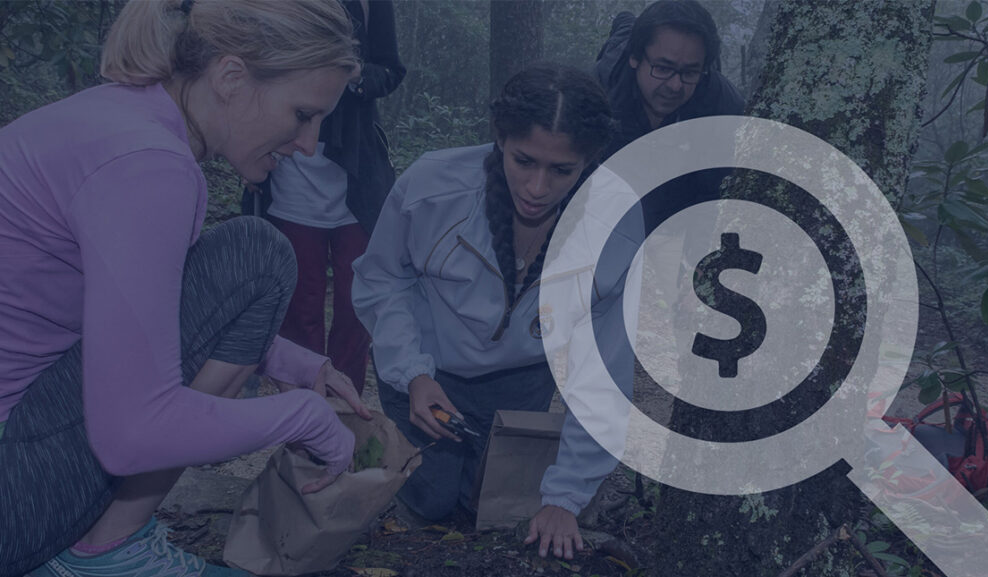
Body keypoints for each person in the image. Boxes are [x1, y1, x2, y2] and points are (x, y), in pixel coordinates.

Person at [0, 2, 372, 576]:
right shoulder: (149, 165)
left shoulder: (119, 120)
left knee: (245, 267)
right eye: (303, 114)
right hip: (15, 498)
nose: (308, 143)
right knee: (255, 256)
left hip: (22, 456)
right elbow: (130, 435)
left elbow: (138, 311)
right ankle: (104, 551)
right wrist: (302, 417)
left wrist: (291, 360)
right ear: (231, 77)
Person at [352, 64, 640, 561]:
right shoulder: (433, 187)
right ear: (500, 139)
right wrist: (413, 373)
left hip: (521, 379)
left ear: (590, 161)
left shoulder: (616, 225)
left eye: (562, 170)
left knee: (496, 510)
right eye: (524, 161)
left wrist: (565, 497)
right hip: (428, 369)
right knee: (432, 501)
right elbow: (383, 279)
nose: (537, 187)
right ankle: (368, 447)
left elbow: (606, 371)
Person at [255, 0, 405, 396]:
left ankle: (344, 405)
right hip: (288, 163)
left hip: (357, 173)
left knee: (356, 304)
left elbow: (390, 70)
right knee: (298, 301)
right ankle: (303, 407)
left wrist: (353, 74)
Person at [594, 0, 745, 233]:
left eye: (690, 72)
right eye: (663, 68)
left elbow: (713, 195)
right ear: (635, 58)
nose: (675, 86)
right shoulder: (599, 94)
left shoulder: (723, 106)